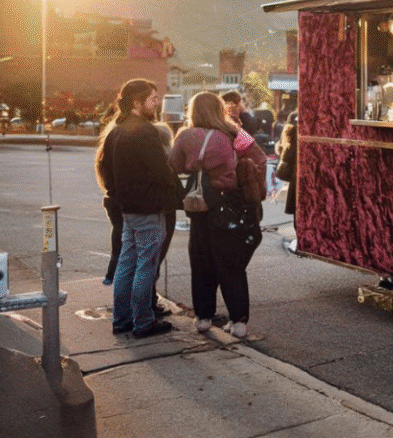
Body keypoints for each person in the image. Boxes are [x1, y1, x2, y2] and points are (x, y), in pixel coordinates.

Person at [170, 92, 266, 339]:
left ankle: (203, 318)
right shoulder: (234, 133)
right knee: (231, 264)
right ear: (218, 109)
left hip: (199, 205)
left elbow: (176, 165)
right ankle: (239, 322)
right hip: (229, 204)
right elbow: (260, 158)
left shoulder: (185, 136)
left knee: (201, 261)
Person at [94, 79, 178, 338]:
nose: (156, 102)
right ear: (137, 103)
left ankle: (122, 320)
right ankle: (143, 322)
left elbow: (106, 169)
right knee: (146, 266)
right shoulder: (144, 131)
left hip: (127, 208)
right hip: (147, 207)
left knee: (127, 264)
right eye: (152, 98)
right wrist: (177, 194)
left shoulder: (116, 131)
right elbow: (161, 171)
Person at [151, 121, 180, 317]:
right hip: (163, 211)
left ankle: (146, 300)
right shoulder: (166, 159)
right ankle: (149, 302)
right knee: (155, 258)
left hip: (147, 209)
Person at [275, 110, 297, 222]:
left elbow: (284, 143)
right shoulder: (294, 115)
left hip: (295, 170)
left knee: (297, 210)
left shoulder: (293, 116)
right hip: (298, 168)